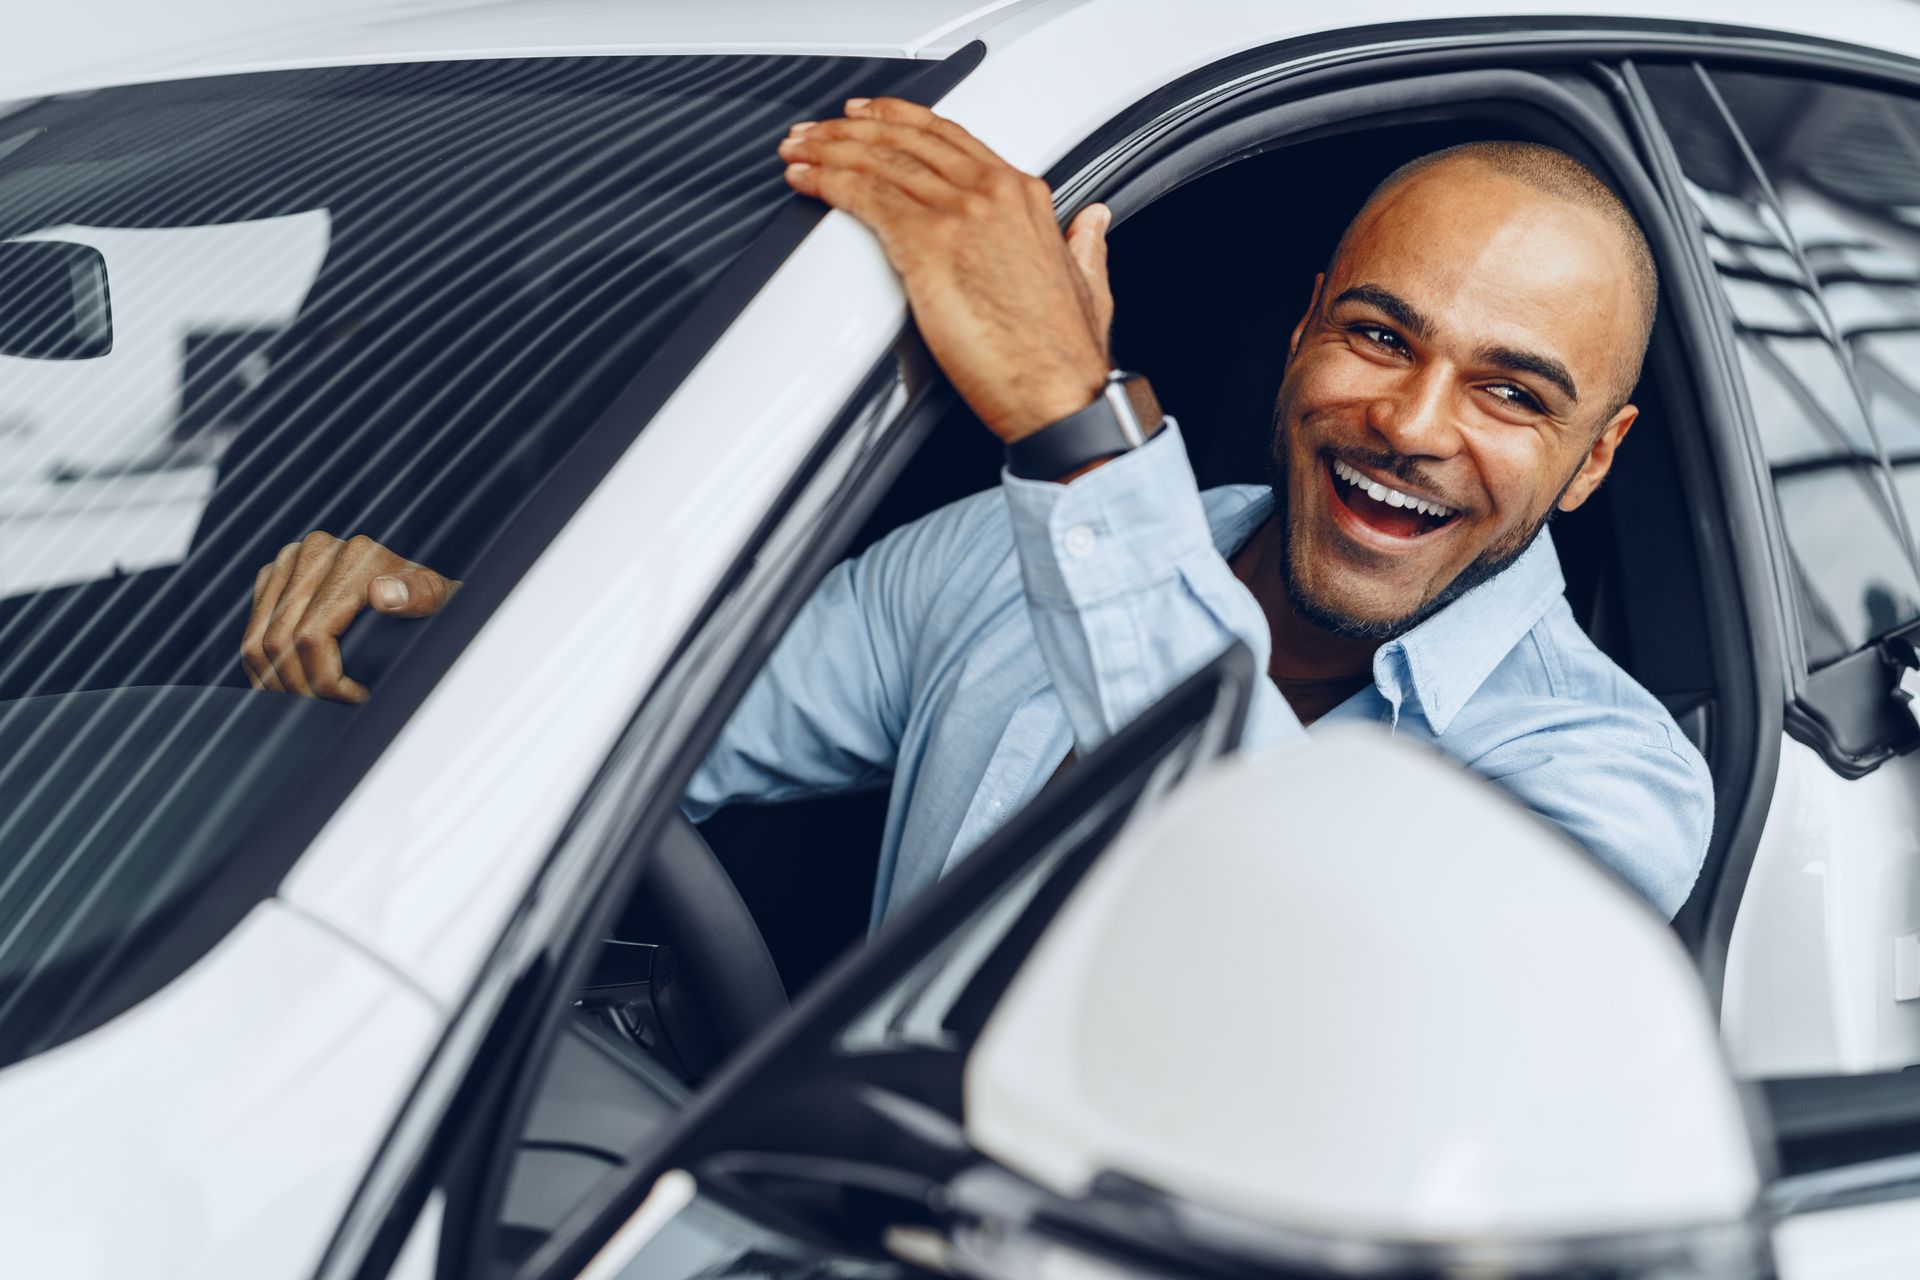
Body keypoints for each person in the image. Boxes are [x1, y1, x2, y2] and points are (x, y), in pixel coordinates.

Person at [240, 98, 1711, 922]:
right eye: (1380, 337)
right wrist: (431, 626)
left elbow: (1295, 912)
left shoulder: (1613, 783)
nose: (1410, 422)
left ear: (1593, 459)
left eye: (1514, 394)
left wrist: (1073, 417)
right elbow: (641, 729)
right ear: (1303, 330)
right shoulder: (1006, 560)